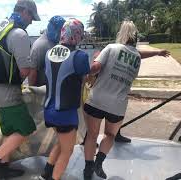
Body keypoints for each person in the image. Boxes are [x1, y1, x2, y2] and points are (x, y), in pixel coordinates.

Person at [0, 0, 40, 179]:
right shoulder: (19, 34)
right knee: (26, 128)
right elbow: (24, 70)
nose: (31, 21)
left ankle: (3, 167)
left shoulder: (0, 28)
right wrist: (31, 67)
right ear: (24, 11)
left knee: (9, 130)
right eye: (31, 16)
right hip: (8, 93)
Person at [83, 21, 142, 180]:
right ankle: (99, 162)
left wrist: (93, 63)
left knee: (92, 135)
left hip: (97, 99)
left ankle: (87, 169)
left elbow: (95, 68)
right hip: (118, 104)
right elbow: (131, 78)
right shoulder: (137, 56)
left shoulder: (111, 47)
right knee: (110, 135)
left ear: (121, 33)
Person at [39, 19, 94, 180]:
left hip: (49, 109)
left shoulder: (48, 53)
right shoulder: (80, 56)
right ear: (78, 34)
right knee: (68, 150)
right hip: (66, 112)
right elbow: (86, 78)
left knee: (62, 142)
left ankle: (47, 172)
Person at [30, 15, 65, 86]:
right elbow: (32, 71)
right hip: (42, 89)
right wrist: (32, 91)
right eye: (60, 31)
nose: (61, 34)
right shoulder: (40, 46)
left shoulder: (57, 42)